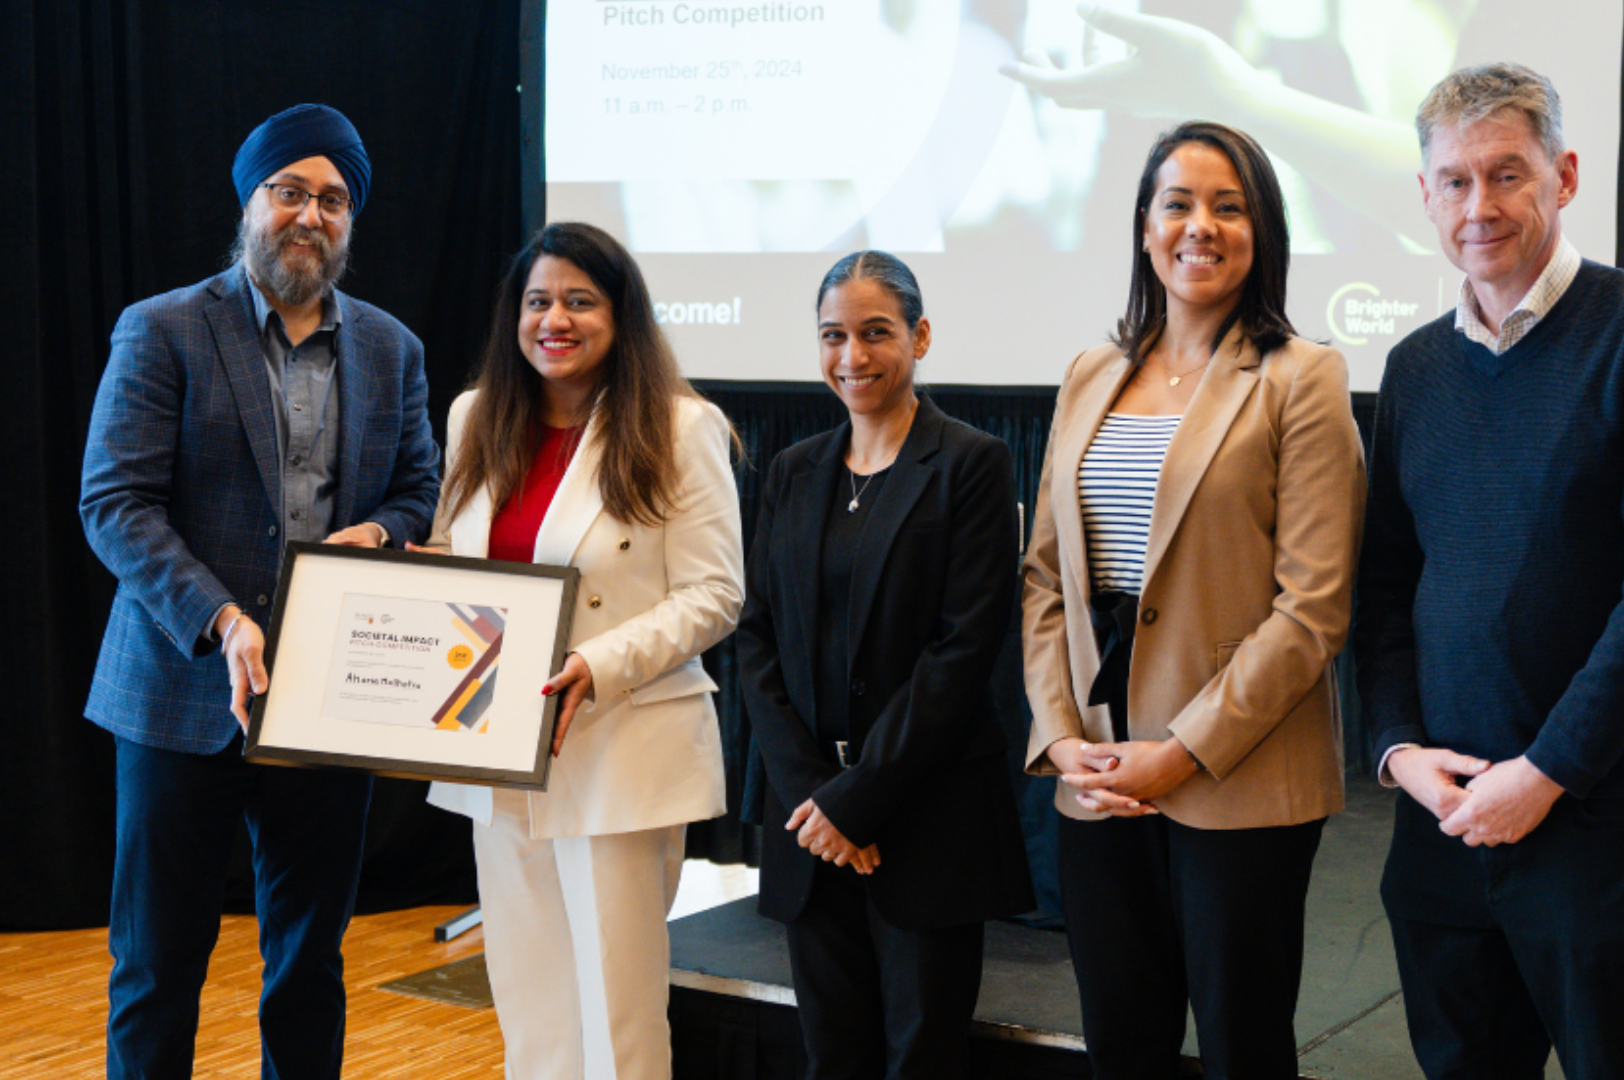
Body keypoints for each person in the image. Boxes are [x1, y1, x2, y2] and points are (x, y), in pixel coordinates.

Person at [1355, 63, 1624, 1080]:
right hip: (1444, 822)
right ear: (1426, 198)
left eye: (1507, 175)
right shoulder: (1413, 370)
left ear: (1565, 176)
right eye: (1454, 181)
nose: (1479, 206)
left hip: (1605, 822)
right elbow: (1385, 588)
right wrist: (1397, 751)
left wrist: (1548, 773)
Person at [78, 103, 440, 1078]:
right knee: (156, 968)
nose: (309, 215)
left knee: (309, 965)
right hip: (177, 690)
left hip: (329, 700)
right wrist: (225, 619)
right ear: (250, 202)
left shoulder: (391, 349)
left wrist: (383, 530)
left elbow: (419, 490)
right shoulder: (162, 330)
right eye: (289, 192)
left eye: (332, 199)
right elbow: (116, 505)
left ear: (350, 221)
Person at [1022, 122, 1366, 1079]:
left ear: (1263, 232)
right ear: (1143, 227)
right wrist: (1059, 738)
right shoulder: (1093, 372)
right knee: (1121, 1044)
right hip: (1097, 771)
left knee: (1242, 1050)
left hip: (1237, 773)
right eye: (1177, 203)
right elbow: (1046, 579)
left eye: (1229, 205)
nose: (1199, 226)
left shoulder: (1304, 378)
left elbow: (1314, 610)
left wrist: (1179, 754)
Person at [420, 222, 744, 1080]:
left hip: (619, 747)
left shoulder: (680, 426)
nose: (553, 319)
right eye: (537, 301)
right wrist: (417, 587)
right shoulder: (474, 417)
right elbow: (465, 559)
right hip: (497, 749)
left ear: (619, 313)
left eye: (578, 300)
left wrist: (604, 663)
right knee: (529, 1008)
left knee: (619, 1016)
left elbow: (716, 595)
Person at [737, 251, 1035, 1080]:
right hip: (812, 828)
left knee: (921, 1058)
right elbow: (755, 637)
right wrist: (816, 799)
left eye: (876, 333)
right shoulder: (794, 470)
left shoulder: (972, 462)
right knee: (832, 1057)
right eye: (833, 336)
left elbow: (965, 651)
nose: (852, 357)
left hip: (926, 819)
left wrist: (858, 802)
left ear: (921, 336)